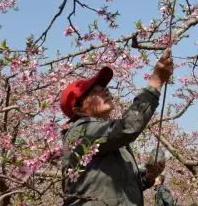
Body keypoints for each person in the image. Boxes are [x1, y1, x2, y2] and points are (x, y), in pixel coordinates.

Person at [60, 49, 174, 206]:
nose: (104, 90)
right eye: (94, 91)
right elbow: (128, 127)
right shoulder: (79, 132)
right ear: (78, 110)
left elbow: (120, 191)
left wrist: (148, 176)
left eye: (103, 87)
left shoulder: (110, 141)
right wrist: (156, 81)